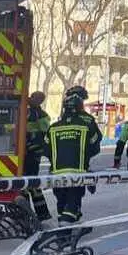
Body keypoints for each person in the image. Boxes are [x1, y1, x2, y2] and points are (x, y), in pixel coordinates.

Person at [47, 87, 102, 224]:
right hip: (78, 169)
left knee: (61, 199)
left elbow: (46, 148)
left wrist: (55, 159)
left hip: (56, 170)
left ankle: (66, 221)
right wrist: (84, 158)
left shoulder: (54, 127)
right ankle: (67, 223)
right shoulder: (87, 122)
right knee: (74, 197)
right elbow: (95, 143)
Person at [23, 91, 53, 222]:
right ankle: (30, 214)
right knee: (25, 184)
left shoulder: (41, 115)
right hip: (24, 152)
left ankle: (35, 214)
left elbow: (46, 131)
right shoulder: (27, 111)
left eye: (37, 99)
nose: (33, 100)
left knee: (29, 184)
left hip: (32, 154)